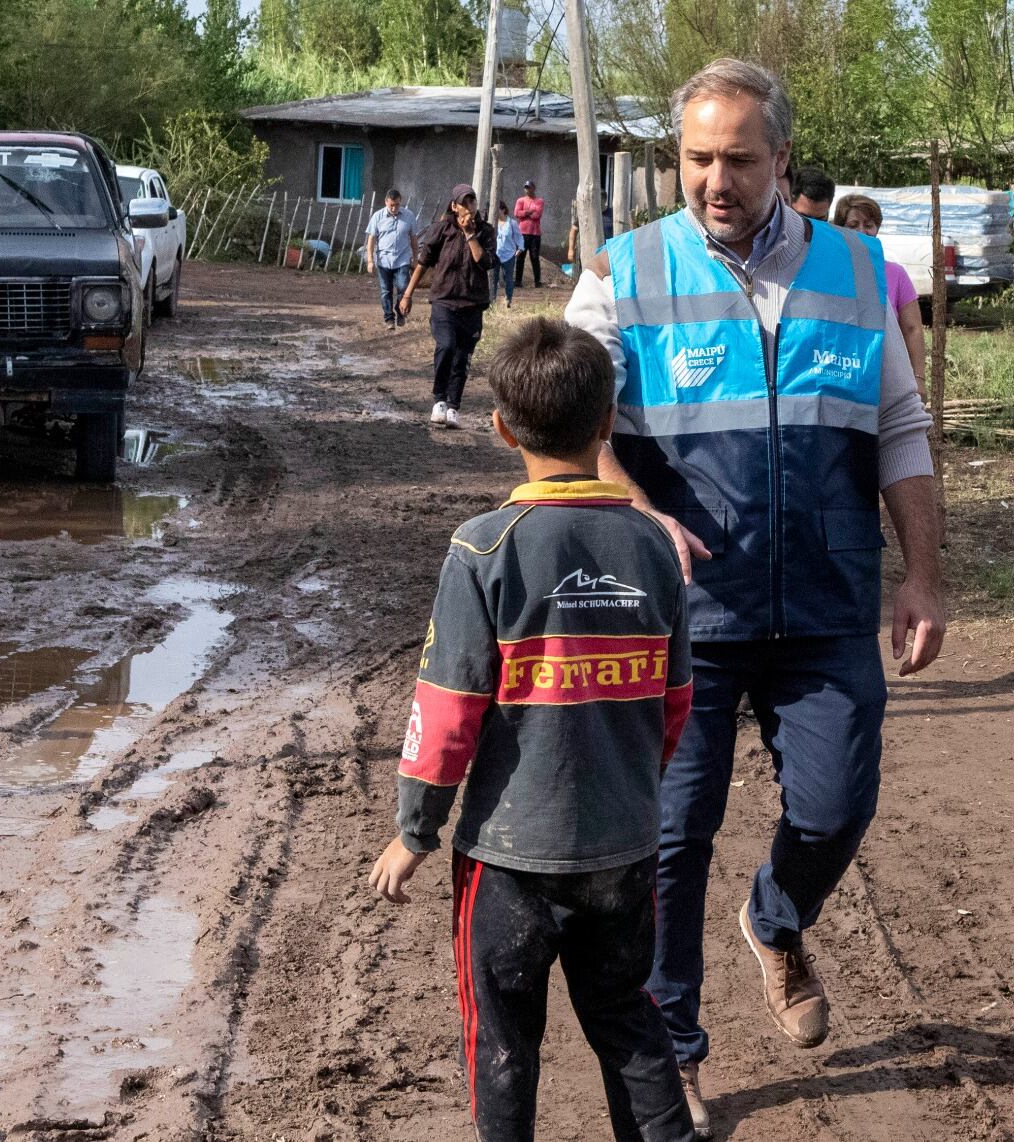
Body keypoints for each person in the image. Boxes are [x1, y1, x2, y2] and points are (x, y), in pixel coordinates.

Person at [565, 58, 945, 1139]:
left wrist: (921, 573)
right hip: (683, 614)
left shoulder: (860, 269)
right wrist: (633, 508)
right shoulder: (621, 273)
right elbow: (575, 428)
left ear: (782, 159)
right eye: (695, 158)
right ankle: (676, 1050)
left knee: (832, 809)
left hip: (826, 597)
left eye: (736, 158)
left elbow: (903, 431)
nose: (713, 179)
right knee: (670, 840)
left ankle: (773, 918)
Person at [369, 317, 697, 1142]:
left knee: (504, 1041)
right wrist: (633, 783)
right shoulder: (655, 547)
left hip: (509, 860)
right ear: (608, 423)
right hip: (624, 846)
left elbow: (447, 708)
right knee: (629, 1022)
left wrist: (415, 829)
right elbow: (676, 701)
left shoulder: (484, 549)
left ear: (502, 428)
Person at [399, 184, 494, 430]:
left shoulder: (485, 231)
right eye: (464, 202)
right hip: (444, 301)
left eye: (472, 202)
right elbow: (422, 264)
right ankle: (439, 400)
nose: (469, 207)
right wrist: (407, 294)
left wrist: (471, 234)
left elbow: (485, 263)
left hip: (472, 305)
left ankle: (453, 407)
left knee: (463, 357)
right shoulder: (441, 230)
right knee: (447, 346)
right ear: (454, 206)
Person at [833, 192, 928, 394]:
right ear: (840, 229)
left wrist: (919, 378)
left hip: (888, 380)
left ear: (877, 229)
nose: (862, 231)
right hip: (842, 379)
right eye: (853, 225)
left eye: (869, 225)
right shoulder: (831, 273)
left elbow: (913, 329)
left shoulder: (896, 274)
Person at [365, 188, 420, 328]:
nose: (394, 208)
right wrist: (370, 260)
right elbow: (371, 240)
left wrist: (415, 258)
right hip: (383, 260)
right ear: (386, 202)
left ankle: (400, 313)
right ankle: (389, 318)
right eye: (391, 205)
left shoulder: (409, 216)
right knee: (386, 290)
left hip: (402, 259)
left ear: (400, 202)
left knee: (403, 287)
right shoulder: (377, 217)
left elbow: (414, 239)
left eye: (397, 204)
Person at [513, 179, 544, 288]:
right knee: (520, 257)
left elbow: (537, 215)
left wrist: (524, 213)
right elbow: (516, 213)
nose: (527, 190)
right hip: (522, 233)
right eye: (526, 187)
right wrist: (528, 212)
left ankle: (537, 281)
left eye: (529, 187)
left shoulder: (539, 201)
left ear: (533, 188)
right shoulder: (520, 200)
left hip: (535, 234)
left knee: (534, 257)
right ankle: (518, 281)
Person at [493, 200, 524, 308]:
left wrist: (520, 247)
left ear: (503, 209)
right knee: (494, 278)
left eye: (497, 209)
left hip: (509, 255)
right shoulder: (493, 222)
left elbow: (519, 236)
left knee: (508, 278)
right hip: (495, 255)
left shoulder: (512, 223)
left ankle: (508, 300)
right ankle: (492, 301)